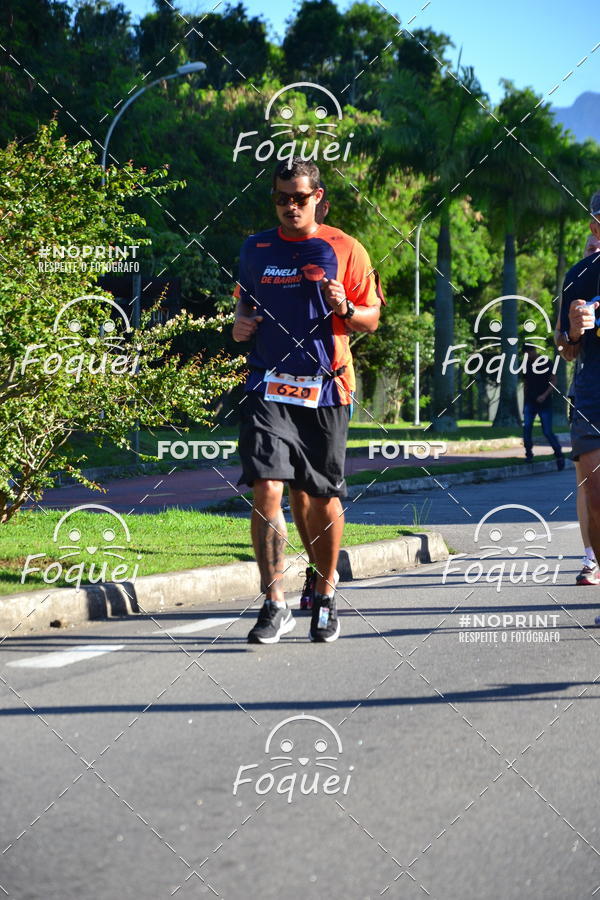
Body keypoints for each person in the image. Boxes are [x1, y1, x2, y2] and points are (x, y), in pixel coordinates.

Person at [233, 158, 381, 644]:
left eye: (299, 197)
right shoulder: (255, 249)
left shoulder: (346, 248)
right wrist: (240, 323)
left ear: (319, 198)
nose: (290, 206)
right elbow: (245, 299)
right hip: (266, 384)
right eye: (281, 198)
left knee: (320, 497)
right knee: (268, 488)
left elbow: (371, 319)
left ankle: (326, 588)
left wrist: (346, 307)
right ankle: (273, 602)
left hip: (326, 385)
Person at [556, 190, 600, 614]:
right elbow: (565, 349)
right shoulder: (580, 276)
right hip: (590, 391)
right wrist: (573, 332)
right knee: (593, 491)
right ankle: (594, 561)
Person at [521, 344, 564, 470]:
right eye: (525, 354)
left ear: (533, 351)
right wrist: (525, 403)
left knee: (547, 431)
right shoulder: (526, 364)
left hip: (544, 403)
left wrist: (544, 395)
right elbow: (526, 383)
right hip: (530, 401)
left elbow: (554, 380)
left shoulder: (546, 362)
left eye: (528, 352)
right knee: (527, 428)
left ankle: (559, 455)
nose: (527, 356)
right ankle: (528, 453)